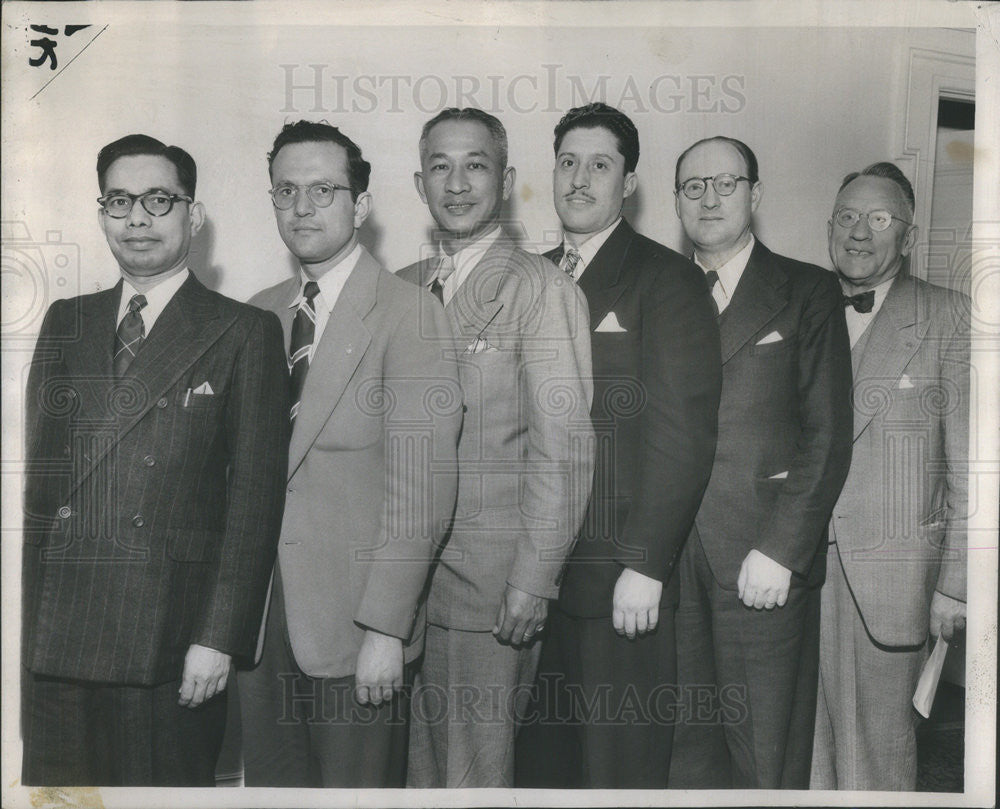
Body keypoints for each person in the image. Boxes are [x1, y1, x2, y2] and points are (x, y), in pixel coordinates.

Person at [20, 134, 289, 786]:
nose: (137, 218)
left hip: (169, 644)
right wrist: (30, 635)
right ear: (102, 212)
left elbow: (254, 501)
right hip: (59, 641)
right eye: (119, 200)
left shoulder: (243, 331)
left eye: (157, 200)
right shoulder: (67, 320)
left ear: (191, 215)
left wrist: (218, 637)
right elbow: (41, 494)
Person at [236, 121, 461, 788]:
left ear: (360, 205)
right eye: (286, 190)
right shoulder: (257, 316)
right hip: (260, 628)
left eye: (323, 190)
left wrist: (387, 630)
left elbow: (420, 493)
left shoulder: (410, 314)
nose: (302, 207)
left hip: (355, 628)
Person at [515, 103, 722, 788]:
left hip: (617, 580)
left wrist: (647, 563)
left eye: (599, 164)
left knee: (617, 773)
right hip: (530, 580)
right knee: (540, 770)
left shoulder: (668, 279)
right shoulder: (529, 277)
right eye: (568, 162)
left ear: (628, 181)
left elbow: (682, 436)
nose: (579, 179)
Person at [397, 107, 595, 788]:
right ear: (418, 181)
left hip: (489, 593)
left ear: (505, 179)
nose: (457, 183)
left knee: (474, 778)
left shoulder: (542, 289)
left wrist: (533, 580)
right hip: (400, 590)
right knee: (414, 776)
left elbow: (563, 449)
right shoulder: (399, 289)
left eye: (475, 165)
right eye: (440, 166)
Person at [667, 136, 853, 789]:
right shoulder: (660, 288)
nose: (710, 198)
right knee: (682, 753)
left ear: (756, 194)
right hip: (667, 562)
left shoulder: (807, 291)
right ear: (677, 200)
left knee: (761, 756)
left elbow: (828, 433)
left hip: (760, 562)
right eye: (693, 186)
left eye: (726, 182)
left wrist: (782, 546)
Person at [811, 162, 969, 791]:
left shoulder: (949, 316)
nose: (858, 232)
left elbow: (973, 467)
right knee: (809, 751)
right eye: (846, 217)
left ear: (907, 236)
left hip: (894, 577)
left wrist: (956, 588)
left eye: (878, 220)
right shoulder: (805, 305)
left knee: (877, 756)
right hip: (799, 572)